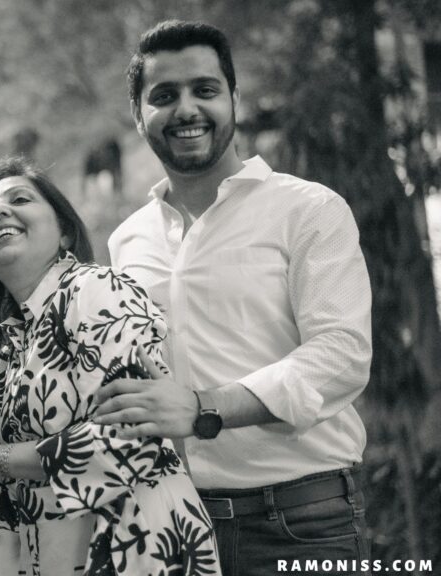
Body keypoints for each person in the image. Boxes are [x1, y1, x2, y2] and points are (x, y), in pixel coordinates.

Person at [101, 20, 373, 575]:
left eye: (204, 90)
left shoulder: (309, 210)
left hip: (300, 521)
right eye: (164, 96)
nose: (186, 110)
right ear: (138, 115)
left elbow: (341, 355)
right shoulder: (127, 240)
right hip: (171, 528)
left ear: (234, 100)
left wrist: (206, 408)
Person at [0, 158, 221, 575]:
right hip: (51, 555)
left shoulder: (96, 290)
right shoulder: (10, 348)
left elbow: (132, 434)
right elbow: (3, 481)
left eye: (20, 199)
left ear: (65, 233)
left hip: (136, 544)